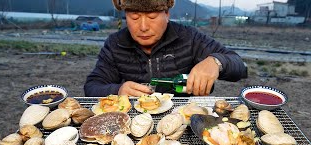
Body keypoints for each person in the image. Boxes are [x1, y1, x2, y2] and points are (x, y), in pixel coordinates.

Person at [84, 0, 247, 97]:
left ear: (167, 14)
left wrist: (216, 62)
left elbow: (240, 66)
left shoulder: (189, 37)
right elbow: (92, 86)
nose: (143, 27)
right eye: (134, 16)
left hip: (183, 119)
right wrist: (118, 90)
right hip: (133, 120)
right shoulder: (115, 44)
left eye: (152, 16)